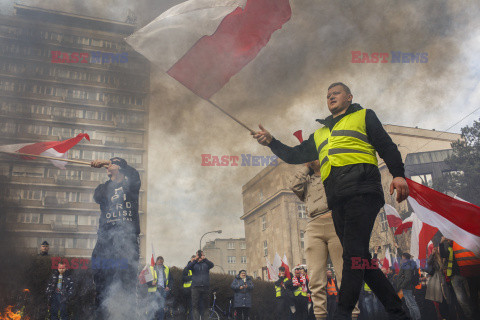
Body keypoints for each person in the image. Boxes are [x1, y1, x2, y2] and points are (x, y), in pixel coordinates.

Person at [253, 82, 409, 320]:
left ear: (349, 97)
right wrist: (272, 141)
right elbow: (294, 155)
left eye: (336, 93)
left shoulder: (364, 116)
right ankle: (399, 313)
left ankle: (342, 314)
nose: (331, 97)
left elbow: (386, 146)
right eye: (327, 95)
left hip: (363, 190)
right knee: (361, 261)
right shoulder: (319, 134)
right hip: (338, 200)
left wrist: (398, 174)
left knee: (351, 256)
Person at [290, 159, 360, 320]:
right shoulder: (306, 181)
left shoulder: (335, 173)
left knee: (345, 274)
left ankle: (352, 315)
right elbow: (294, 186)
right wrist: (306, 167)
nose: (312, 159)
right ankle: (320, 316)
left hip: (337, 222)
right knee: (315, 278)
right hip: (313, 225)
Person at [90, 157, 141, 319]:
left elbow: (134, 174)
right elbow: (97, 197)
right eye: (108, 165)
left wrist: (107, 162)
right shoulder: (103, 188)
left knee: (126, 280)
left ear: (120, 167)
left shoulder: (131, 186)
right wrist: (110, 171)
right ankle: (102, 314)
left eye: (112, 164)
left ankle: (127, 315)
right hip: (106, 240)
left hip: (127, 240)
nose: (108, 167)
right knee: (101, 278)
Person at [439, 237, 476, 320]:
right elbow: (443, 254)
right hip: (454, 276)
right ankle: (469, 315)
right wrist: (441, 243)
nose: (448, 239)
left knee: (471, 296)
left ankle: (473, 313)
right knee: (460, 298)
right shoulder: (448, 247)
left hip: (466, 274)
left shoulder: (461, 244)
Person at [187, 250, 214, 320]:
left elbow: (212, 265)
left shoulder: (206, 263)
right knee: (195, 305)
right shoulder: (193, 263)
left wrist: (205, 259)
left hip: (205, 287)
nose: (199, 256)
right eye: (198, 255)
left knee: (206, 305)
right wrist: (195, 260)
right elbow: (188, 267)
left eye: (200, 255)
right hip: (195, 287)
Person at [396, 253, 421, 320]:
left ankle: (417, 318)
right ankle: (413, 318)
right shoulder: (409, 264)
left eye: (402, 257)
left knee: (412, 304)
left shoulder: (407, 265)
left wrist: (402, 285)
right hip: (408, 287)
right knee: (409, 305)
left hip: (407, 287)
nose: (401, 259)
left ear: (404, 258)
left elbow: (408, 278)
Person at [182, 255, 196, 320]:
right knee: (189, 308)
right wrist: (192, 277)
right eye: (192, 260)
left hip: (195, 291)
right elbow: (183, 278)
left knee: (193, 308)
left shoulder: (197, 268)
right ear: (190, 260)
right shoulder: (186, 268)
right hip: (187, 291)